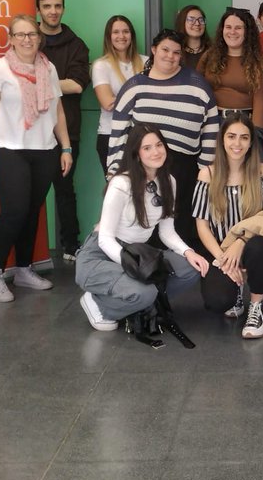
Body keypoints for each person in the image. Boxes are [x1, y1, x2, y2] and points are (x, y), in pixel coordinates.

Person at [76, 123, 208, 331]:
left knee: (191, 268)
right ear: (136, 154)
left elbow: (166, 231)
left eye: (159, 145)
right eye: (147, 148)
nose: (156, 152)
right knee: (145, 292)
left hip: (137, 251)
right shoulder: (121, 183)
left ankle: (142, 304)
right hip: (102, 255)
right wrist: (133, 266)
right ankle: (99, 304)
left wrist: (188, 252)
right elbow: (105, 238)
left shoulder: (169, 181)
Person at [0, 14, 73, 303]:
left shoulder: (48, 68)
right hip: (8, 149)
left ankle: (23, 269)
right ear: (10, 39)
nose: (27, 39)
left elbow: (57, 111)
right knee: (15, 211)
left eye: (31, 34)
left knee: (32, 212)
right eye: (20, 35)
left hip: (44, 150)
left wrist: (66, 147)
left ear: (39, 37)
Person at [108, 29, 219, 253]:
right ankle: (148, 269)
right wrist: (113, 171)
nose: (170, 56)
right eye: (165, 50)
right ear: (154, 50)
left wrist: (205, 170)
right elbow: (118, 132)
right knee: (146, 225)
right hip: (144, 167)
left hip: (185, 168)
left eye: (176, 52)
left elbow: (212, 126)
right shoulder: (135, 86)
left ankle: (182, 268)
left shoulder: (197, 85)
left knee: (181, 226)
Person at [192, 115, 263, 335]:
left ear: (251, 142)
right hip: (221, 251)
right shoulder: (207, 174)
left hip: (255, 247)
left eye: (244, 137)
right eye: (231, 136)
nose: (237, 143)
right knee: (218, 301)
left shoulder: (262, 171)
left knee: (260, 247)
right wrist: (225, 261)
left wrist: (241, 241)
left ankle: (256, 308)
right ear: (222, 140)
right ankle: (236, 290)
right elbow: (202, 226)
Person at [36, 0, 90, 261]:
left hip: (67, 129)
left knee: (65, 189)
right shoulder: (29, 39)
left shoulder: (76, 44)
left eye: (57, 6)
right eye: (47, 6)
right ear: (39, 10)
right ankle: (28, 254)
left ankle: (71, 245)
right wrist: (59, 84)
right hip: (30, 130)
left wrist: (35, 82)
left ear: (63, 8)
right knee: (29, 193)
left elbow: (77, 85)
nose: (53, 11)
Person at [198, 7, 263, 128]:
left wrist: (256, 133)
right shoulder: (209, 56)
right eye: (228, 27)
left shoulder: (258, 62)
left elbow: (260, 103)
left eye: (238, 28)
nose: (232, 32)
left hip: (243, 124)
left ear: (247, 32)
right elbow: (196, 89)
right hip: (211, 122)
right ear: (222, 30)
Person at [90, 15, 143, 170]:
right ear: (109, 36)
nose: (121, 36)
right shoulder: (101, 65)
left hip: (142, 137)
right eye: (116, 32)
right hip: (111, 136)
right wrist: (141, 99)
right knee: (118, 184)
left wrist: (121, 99)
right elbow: (108, 103)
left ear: (132, 35)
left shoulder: (146, 62)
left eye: (126, 31)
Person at [174, 4, 210, 71]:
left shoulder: (213, 51)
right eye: (191, 19)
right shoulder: (174, 51)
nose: (197, 23)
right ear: (182, 22)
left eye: (201, 20)